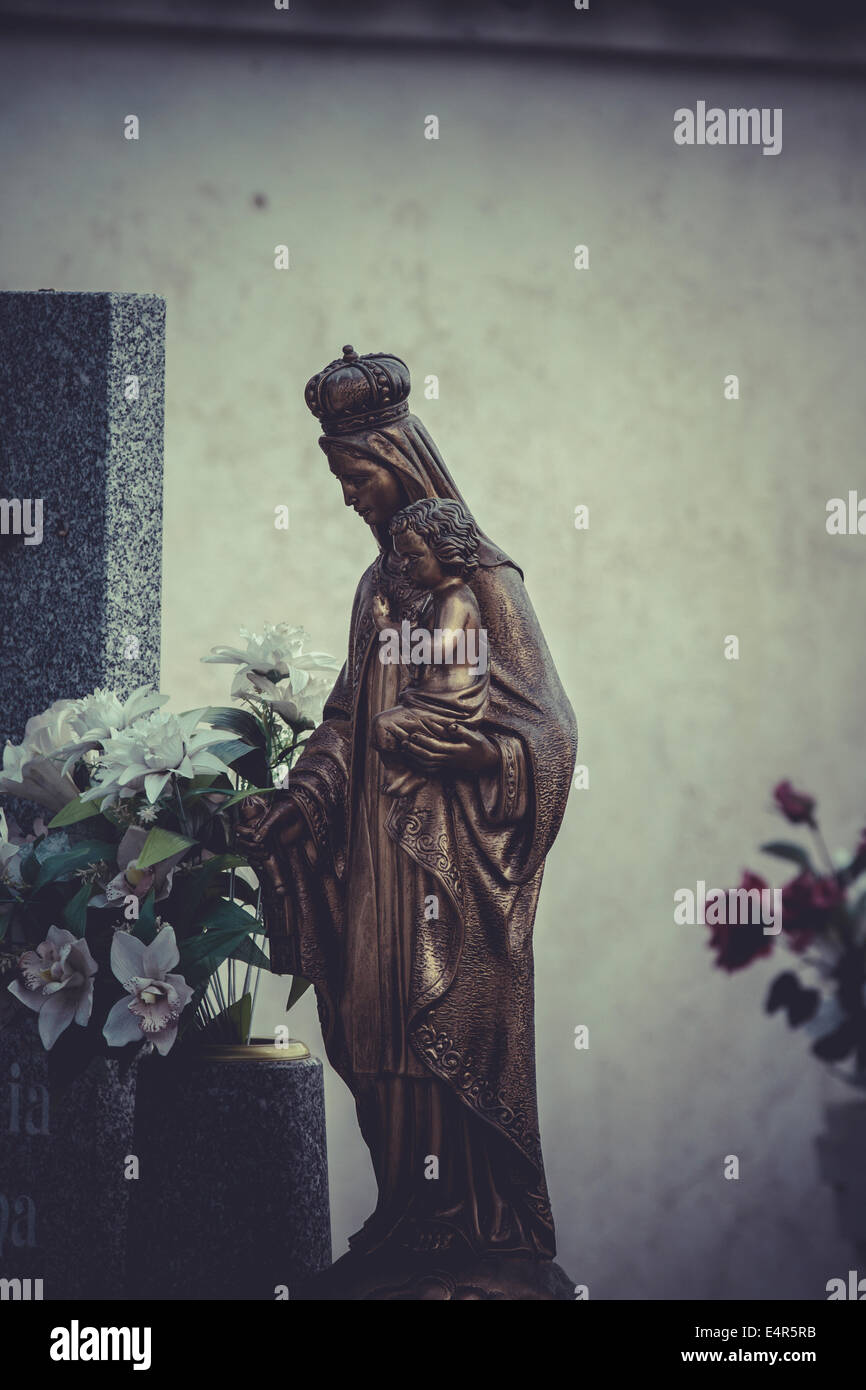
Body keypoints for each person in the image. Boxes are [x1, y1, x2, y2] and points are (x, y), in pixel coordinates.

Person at [238, 346, 577, 1265]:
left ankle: (469, 1224)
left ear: (395, 466)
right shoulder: (376, 588)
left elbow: (550, 733)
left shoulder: (488, 589)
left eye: (354, 478)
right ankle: (406, 1210)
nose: (347, 497)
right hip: (376, 854)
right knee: (376, 1017)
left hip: (452, 857)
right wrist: (297, 805)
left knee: (442, 1019)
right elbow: (348, 718)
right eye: (339, 480)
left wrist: (471, 751)